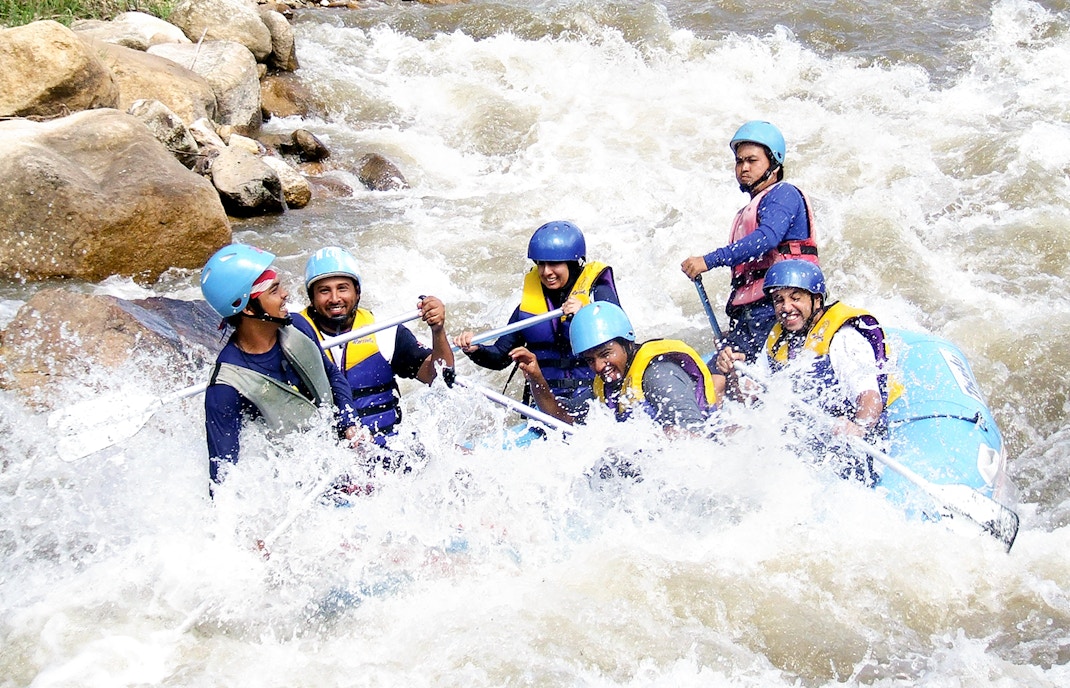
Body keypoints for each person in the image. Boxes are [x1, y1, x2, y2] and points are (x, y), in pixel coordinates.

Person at [715, 260, 900, 484]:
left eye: (795, 298)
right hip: (804, 437)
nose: (786, 308)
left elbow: (869, 397)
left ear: (816, 300)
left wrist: (858, 426)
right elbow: (747, 398)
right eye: (779, 300)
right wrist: (733, 375)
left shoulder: (843, 338)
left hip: (848, 445)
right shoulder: (778, 338)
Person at [200, 243, 360, 488]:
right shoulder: (224, 388)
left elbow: (331, 374)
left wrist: (349, 423)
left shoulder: (297, 325)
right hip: (291, 486)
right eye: (274, 290)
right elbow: (224, 476)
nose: (285, 294)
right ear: (249, 309)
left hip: (336, 458)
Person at [681, 120, 819, 366]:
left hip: (778, 307)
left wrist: (708, 261)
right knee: (717, 377)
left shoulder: (783, 194)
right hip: (751, 315)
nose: (743, 167)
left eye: (752, 160)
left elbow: (767, 238)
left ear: (774, 164)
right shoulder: (748, 210)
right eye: (739, 161)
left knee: (727, 379)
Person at [295, 246, 454, 451]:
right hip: (327, 462)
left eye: (342, 288)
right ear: (312, 297)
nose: (335, 298)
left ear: (357, 292)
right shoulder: (292, 338)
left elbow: (440, 377)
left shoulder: (384, 331)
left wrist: (438, 330)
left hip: (386, 452)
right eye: (324, 290)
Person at [453, 220, 620, 405]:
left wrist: (586, 316)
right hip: (547, 404)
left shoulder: (598, 296)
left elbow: (622, 345)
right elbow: (500, 358)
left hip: (595, 401)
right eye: (541, 264)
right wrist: (475, 349)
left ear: (572, 264)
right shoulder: (527, 309)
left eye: (554, 264)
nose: (546, 271)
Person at [512, 301, 718, 435]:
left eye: (605, 354)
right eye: (590, 360)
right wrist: (536, 378)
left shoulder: (658, 374)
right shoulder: (608, 385)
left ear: (627, 344)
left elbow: (692, 434)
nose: (599, 366)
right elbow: (563, 417)